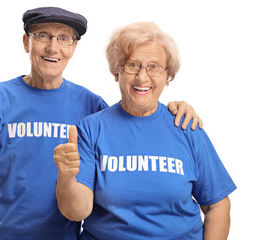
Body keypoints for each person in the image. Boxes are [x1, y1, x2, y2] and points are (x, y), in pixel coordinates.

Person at [0, 7, 202, 240]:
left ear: (74, 47)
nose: (53, 48)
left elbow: (134, 115)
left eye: (64, 38)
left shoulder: (91, 105)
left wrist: (174, 108)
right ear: (27, 42)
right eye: (43, 36)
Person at [54, 21, 236, 240]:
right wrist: (66, 177)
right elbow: (77, 212)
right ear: (117, 71)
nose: (142, 77)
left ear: (168, 76)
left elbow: (217, 205)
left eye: (154, 67)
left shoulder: (186, 126)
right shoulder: (91, 128)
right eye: (132, 65)